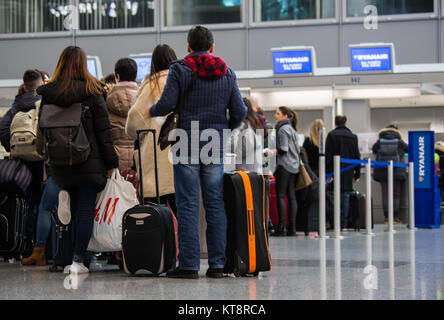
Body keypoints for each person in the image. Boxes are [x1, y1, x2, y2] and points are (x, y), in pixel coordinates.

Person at [147, 26, 247, 279]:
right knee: (214, 204)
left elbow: (168, 104)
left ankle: (189, 265)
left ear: (188, 46)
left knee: (187, 205)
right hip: (214, 143)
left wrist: (152, 110)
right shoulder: (227, 73)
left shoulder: (179, 69)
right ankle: (216, 265)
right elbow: (240, 111)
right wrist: (227, 127)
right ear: (212, 47)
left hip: (186, 142)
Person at [37, 46, 118, 274]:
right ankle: (78, 260)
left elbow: (41, 130)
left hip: (60, 163)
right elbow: (104, 131)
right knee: (84, 210)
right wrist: (111, 162)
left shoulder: (49, 93)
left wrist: (47, 157)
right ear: (82, 64)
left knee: (65, 211)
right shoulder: (92, 91)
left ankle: (62, 258)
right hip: (88, 161)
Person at [126, 44, 178, 214]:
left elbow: (134, 122)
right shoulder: (182, 81)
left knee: (159, 212)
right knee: (184, 211)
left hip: (157, 159)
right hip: (183, 154)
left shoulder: (152, 86)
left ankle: (166, 241)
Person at [0, 69, 45, 258]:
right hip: (40, 159)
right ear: (40, 84)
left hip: (20, 162)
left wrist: (11, 149)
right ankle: (39, 244)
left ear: (25, 85)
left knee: (26, 202)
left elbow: (2, 128)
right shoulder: (42, 103)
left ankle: (24, 243)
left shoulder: (15, 106)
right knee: (41, 202)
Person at [266, 107, 300, 237]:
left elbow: (284, 149)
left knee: (280, 195)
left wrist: (271, 152)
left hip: (284, 166)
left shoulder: (282, 129)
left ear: (285, 115)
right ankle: (292, 228)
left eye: (278, 113)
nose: (275, 116)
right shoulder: (292, 129)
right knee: (291, 196)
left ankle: (281, 228)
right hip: (294, 166)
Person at [325, 115, 361, 232]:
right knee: (345, 197)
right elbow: (357, 156)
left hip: (334, 172)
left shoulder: (331, 135)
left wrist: (327, 172)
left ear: (335, 123)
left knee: (333, 197)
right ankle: (344, 225)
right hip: (348, 171)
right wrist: (357, 174)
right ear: (346, 123)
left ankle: (334, 224)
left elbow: (328, 156)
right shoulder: (353, 137)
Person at [372, 124, 408, 224]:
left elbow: (374, 150)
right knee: (396, 195)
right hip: (397, 171)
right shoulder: (400, 142)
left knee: (385, 194)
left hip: (383, 171)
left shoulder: (380, 141)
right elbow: (409, 150)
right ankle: (395, 217)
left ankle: (387, 218)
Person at [106, 58, 138, 172]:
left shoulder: (106, 99)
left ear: (117, 77)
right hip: (140, 158)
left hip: (116, 159)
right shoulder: (144, 98)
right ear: (136, 76)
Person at [229, 97, 264, 173]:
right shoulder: (256, 122)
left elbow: (236, 149)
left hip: (244, 170)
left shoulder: (242, 125)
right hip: (256, 169)